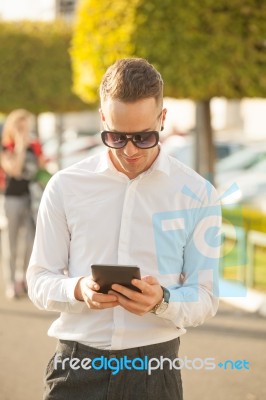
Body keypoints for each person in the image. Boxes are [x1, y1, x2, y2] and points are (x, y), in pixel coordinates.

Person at [27, 58, 221, 400]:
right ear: (103, 118)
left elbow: (205, 296)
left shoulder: (197, 194)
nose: (129, 150)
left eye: (143, 137)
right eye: (116, 136)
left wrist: (163, 300)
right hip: (76, 366)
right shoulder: (64, 187)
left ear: (162, 119)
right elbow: (39, 279)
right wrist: (78, 289)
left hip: (154, 370)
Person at [1, 109, 45, 299]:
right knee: (10, 241)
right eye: (19, 126)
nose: (23, 130)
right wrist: (19, 145)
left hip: (31, 198)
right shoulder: (7, 147)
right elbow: (16, 171)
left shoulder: (34, 146)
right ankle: (11, 282)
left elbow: (41, 169)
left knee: (30, 240)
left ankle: (23, 278)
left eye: (25, 126)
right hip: (11, 198)